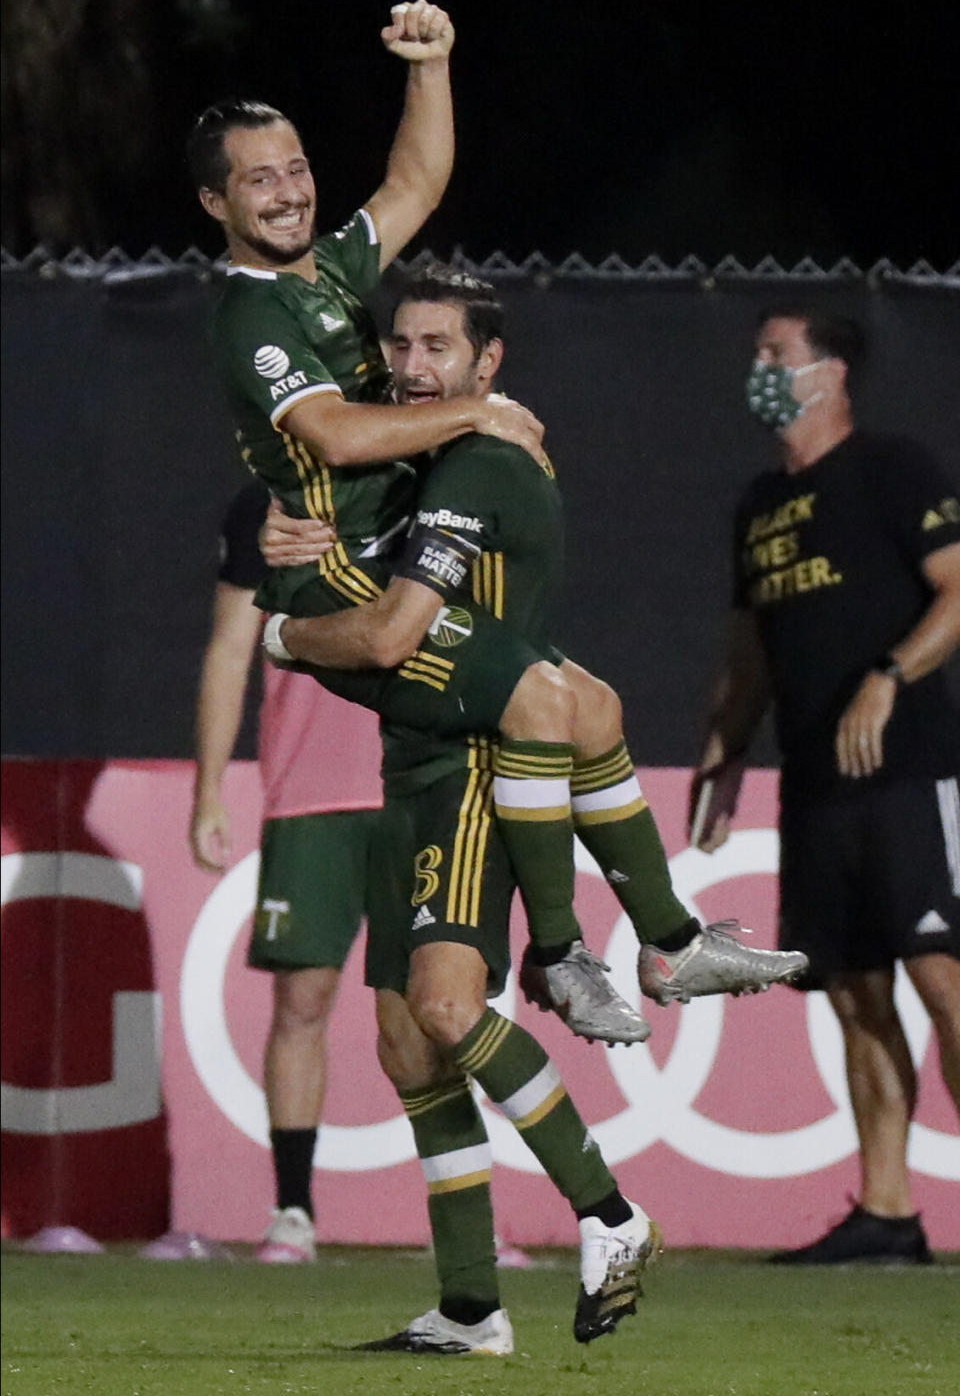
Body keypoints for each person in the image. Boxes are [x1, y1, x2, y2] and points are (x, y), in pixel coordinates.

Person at [258, 266, 808, 1351]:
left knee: (451, 1011)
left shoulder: (480, 462)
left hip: (467, 770)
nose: (414, 368)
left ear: (487, 366)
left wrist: (281, 629)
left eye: (438, 349)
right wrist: (298, 543)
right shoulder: (422, 464)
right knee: (409, 1047)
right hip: (410, 768)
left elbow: (385, 639)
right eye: (401, 346)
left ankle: (613, 1215)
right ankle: (470, 1308)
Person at [692, 302, 960, 1264]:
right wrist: (724, 750)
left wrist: (888, 679)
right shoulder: (761, 505)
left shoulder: (893, 468)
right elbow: (751, 645)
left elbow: (958, 587)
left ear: (832, 372)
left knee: (944, 978)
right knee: (854, 992)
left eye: (777, 353)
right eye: (757, 351)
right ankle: (888, 1212)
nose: (759, 367)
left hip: (907, 771)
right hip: (813, 783)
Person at [189, 480, 382, 1263]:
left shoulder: (435, 474)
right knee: (302, 999)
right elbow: (232, 647)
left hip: (423, 777)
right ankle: (293, 1211)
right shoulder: (266, 502)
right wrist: (208, 789)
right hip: (310, 789)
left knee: (438, 1007)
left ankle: (466, 1215)